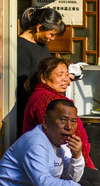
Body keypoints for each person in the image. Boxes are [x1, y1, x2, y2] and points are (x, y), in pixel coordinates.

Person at [23, 57, 100, 186]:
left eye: (66, 74)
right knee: (89, 181)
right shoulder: (45, 100)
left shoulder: (53, 97)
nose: (66, 79)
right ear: (44, 78)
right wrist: (79, 154)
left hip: (64, 160)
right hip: (49, 165)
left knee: (96, 178)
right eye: (59, 75)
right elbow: (61, 134)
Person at [16, 7, 64, 137]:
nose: (52, 39)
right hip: (29, 108)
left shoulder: (41, 43)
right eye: (51, 34)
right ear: (39, 27)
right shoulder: (20, 46)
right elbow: (23, 85)